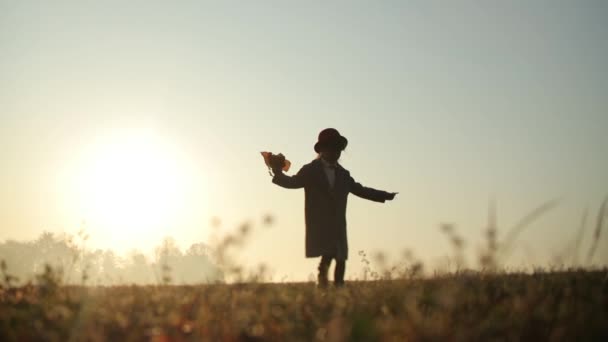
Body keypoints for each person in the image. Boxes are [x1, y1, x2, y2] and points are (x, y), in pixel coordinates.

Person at [270, 128, 397, 288]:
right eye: (331, 148)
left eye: (337, 149)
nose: (335, 152)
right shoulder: (310, 170)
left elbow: (360, 190)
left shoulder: (344, 174)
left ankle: (338, 289)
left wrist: (383, 195)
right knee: (328, 255)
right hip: (320, 222)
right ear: (322, 150)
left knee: (341, 257)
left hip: (338, 223)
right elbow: (292, 182)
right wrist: (277, 171)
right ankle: (322, 287)